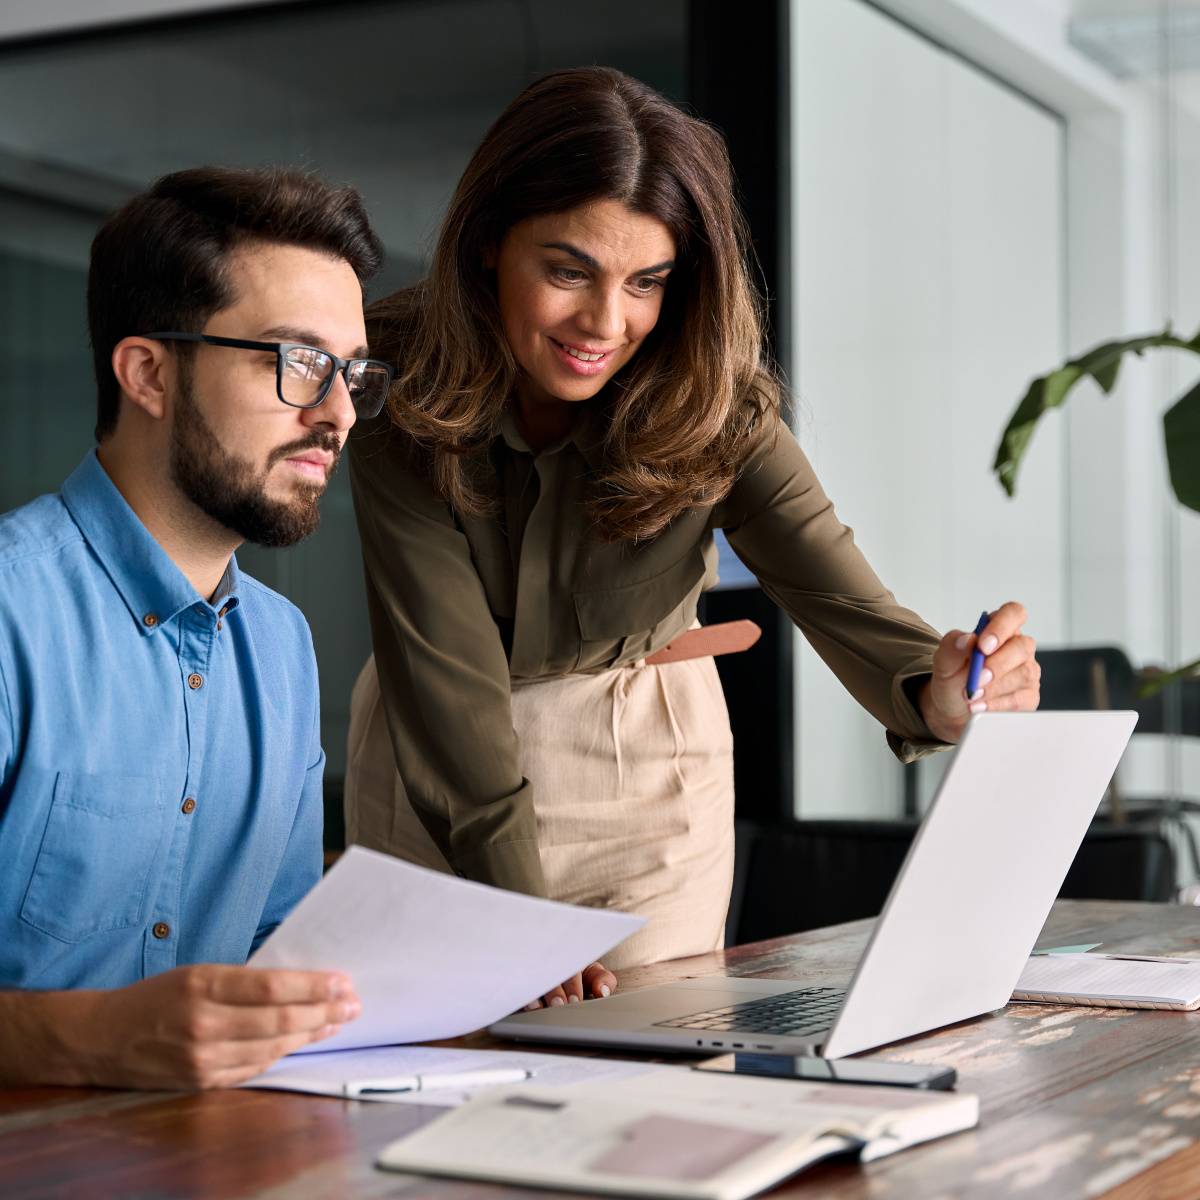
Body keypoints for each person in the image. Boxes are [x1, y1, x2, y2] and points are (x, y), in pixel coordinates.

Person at [345, 68, 1041, 1004]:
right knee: (418, 1090)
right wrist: (521, 921)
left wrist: (939, 688)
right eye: (566, 271)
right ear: (484, 247)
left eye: (647, 283)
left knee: (651, 1100)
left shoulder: (714, 401)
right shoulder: (395, 378)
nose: (606, 322)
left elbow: (840, 596)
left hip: (647, 775)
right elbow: (446, 679)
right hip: (434, 765)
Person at [0, 166, 395, 1089]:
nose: (337, 412)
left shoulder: (282, 648)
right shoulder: (12, 613)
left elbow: (277, 954)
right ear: (148, 373)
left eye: (351, 373)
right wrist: (90, 1038)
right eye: (298, 363)